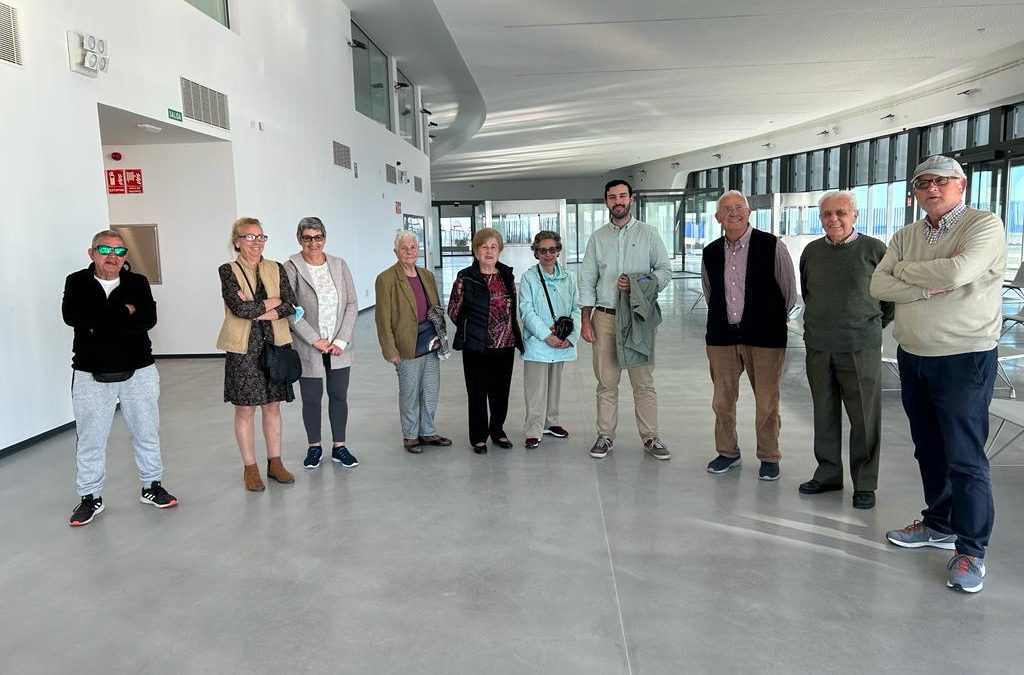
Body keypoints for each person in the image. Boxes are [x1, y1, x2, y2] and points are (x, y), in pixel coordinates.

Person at [871, 155, 1005, 593]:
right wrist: (930, 282)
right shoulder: (906, 234)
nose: (931, 188)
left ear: (960, 186)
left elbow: (961, 270)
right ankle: (939, 523)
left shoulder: (984, 225)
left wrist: (905, 274)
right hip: (913, 355)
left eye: (941, 182)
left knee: (965, 458)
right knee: (928, 450)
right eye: (923, 182)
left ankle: (970, 551)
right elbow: (879, 284)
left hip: (964, 356)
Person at [62, 230, 177, 526]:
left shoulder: (137, 283)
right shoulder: (76, 282)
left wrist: (99, 322)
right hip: (89, 372)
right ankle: (89, 497)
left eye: (119, 251)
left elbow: (146, 321)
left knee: (146, 432)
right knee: (90, 438)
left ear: (125, 255)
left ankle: (152, 486)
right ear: (91, 253)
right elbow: (74, 318)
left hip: (139, 369)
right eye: (104, 249)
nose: (112, 256)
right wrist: (123, 312)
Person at [799, 191, 893, 509]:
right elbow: (809, 292)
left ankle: (865, 482)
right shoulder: (811, 252)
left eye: (841, 212)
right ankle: (828, 474)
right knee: (824, 414)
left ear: (855, 215)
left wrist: (865, 326)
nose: (833, 219)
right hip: (819, 345)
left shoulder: (874, 250)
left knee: (864, 418)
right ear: (820, 218)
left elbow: (889, 302)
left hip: (859, 346)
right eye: (826, 214)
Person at [703, 190, 797, 481]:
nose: (733, 213)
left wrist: (768, 318)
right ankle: (727, 452)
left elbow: (788, 292)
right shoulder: (711, 251)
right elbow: (711, 292)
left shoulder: (771, 246)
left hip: (765, 337)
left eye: (738, 208)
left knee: (767, 401)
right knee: (722, 400)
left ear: (748, 213)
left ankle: (769, 456)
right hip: (722, 337)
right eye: (726, 210)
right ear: (718, 218)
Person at [578, 179, 672, 460]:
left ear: (631, 199)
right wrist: (586, 319)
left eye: (622, 196)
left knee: (643, 382)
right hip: (605, 318)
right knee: (606, 382)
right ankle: (605, 436)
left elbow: (664, 271)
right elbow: (586, 279)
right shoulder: (597, 238)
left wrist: (638, 283)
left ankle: (651, 437)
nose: (617, 201)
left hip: (639, 319)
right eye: (612, 197)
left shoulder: (649, 234)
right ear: (606, 201)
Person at [217, 217, 298, 491]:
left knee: (273, 406)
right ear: (237, 242)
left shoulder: (276, 268)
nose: (256, 243)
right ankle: (250, 468)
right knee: (245, 409)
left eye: (261, 237)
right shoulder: (227, 270)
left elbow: (290, 304)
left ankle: (275, 463)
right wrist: (271, 303)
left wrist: (263, 308)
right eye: (250, 237)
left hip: (276, 343)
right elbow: (238, 309)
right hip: (244, 349)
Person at [284, 217, 359, 470]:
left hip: (339, 347)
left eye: (317, 237)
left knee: (339, 396)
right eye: (307, 238)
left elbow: (351, 304)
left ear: (324, 238)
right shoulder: (291, 267)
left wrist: (341, 340)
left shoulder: (339, 265)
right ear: (299, 239)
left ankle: (340, 447)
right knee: (312, 399)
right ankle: (314, 447)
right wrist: (315, 340)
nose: (313, 243)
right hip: (309, 346)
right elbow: (290, 309)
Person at [374, 231, 452, 453]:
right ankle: (410, 435)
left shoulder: (426, 275)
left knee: (430, 389)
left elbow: (435, 308)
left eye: (413, 247)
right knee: (409, 391)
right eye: (404, 248)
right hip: (406, 344)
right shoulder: (386, 279)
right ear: (396, 251)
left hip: (430, 340)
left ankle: (427, 431)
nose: (409, 251)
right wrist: (390, 350)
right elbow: (383, 318)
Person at [448, 227, 523, 454]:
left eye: (493, 247)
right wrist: (471, 328)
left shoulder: (506, 275)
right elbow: (453, 309)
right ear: (475, 251)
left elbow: (512, 309)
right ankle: (479, 436)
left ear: (499, 250)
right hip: (476, 346)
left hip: (505, 344)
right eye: (484, 247)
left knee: (501, 392)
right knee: (477, 392)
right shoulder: (466, 277)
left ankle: (497, 430)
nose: (489, 251)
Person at [519, 230, 581, 449]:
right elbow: (526, 311)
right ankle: (533, 429)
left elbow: (576, 308)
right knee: (536, 388)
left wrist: (570, 336)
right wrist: (546, 335)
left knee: (555, 385)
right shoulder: (529, 277)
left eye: (552, 249)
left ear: (558, 251)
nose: (548, 254)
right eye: (542, 250)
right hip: (539, 342)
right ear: (536, 252)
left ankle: (551, 422)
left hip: (561, 342)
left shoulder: (569, 277)